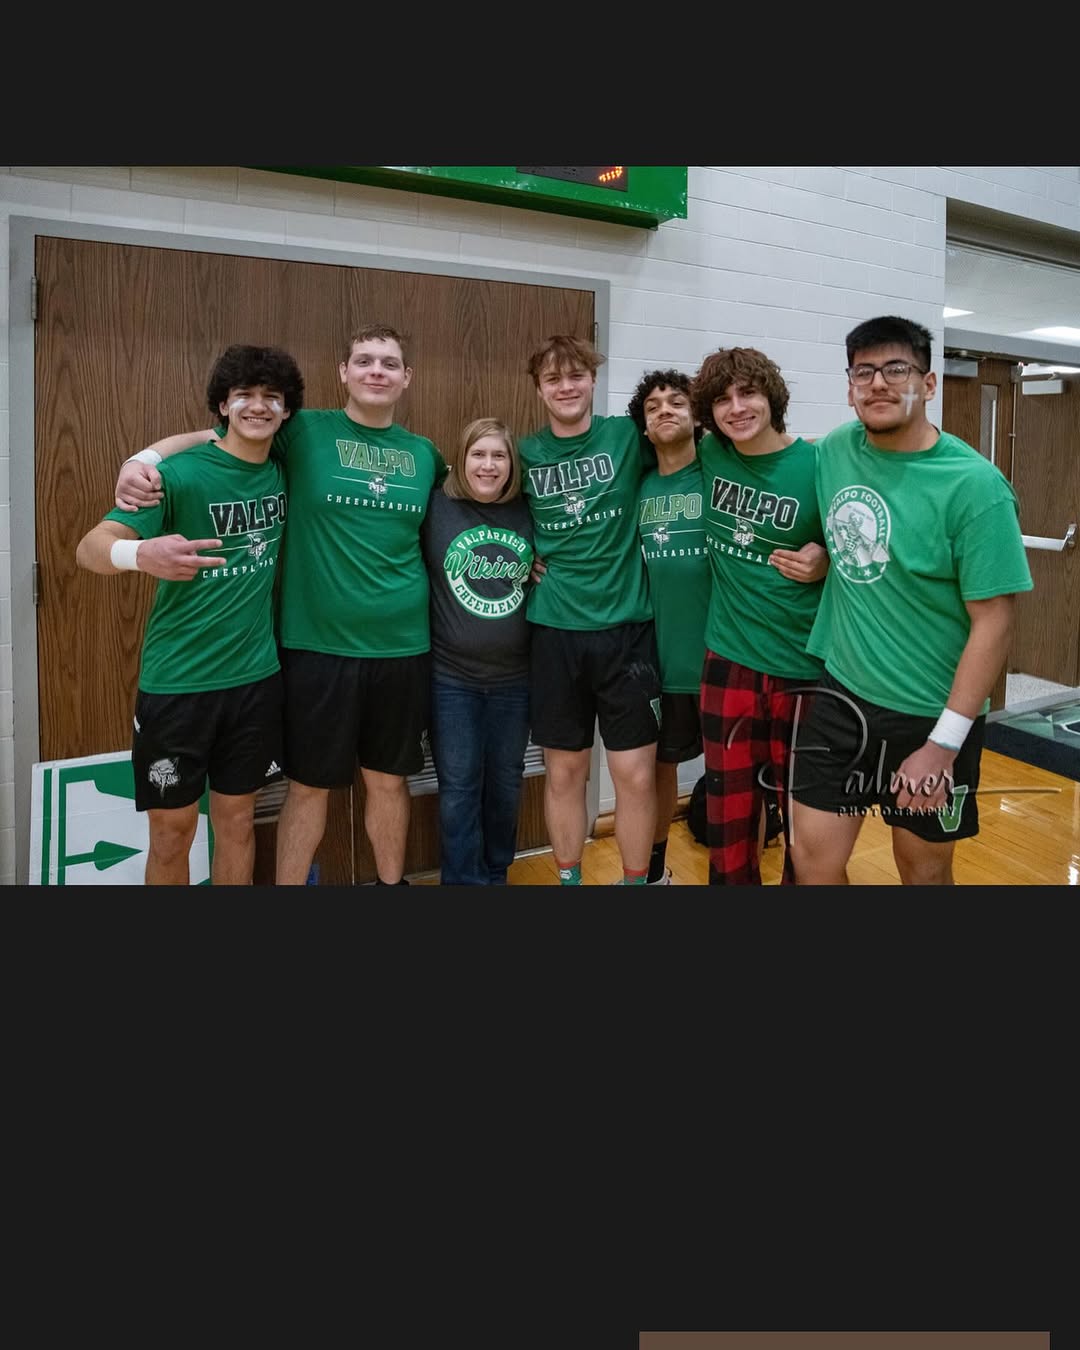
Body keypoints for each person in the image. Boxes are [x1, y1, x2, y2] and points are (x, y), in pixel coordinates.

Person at [113, 324, 448, 886]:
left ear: (406, 377)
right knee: (308, 785)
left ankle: (392, 887)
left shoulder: (425, 454)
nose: (376, 371)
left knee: (389, 782)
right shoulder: (303, 430)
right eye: (364, 360)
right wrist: (140, 458)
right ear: (343, 372)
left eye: (389, 363)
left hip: (404, 647)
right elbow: (218, 433)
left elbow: (474, 505)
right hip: (315, 648)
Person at [788, 315, 1034, 886]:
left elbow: (995, 624)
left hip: (931, 715)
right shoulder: (837, 449)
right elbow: (772, 455)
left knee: (923, 871)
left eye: (896, 369)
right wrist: (825, 551)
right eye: (863, 372)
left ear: (928, 384)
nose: (878, 383)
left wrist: (942, 746)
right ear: (850, 387)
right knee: (812, 861)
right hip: (840, 697)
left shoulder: (976, 487)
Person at [76, 344, 304, 885]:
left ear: (286, 410)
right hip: (178, 685)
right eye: (244, 394)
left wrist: (144, 453)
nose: (258, 406)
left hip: (255, 682)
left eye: (271, 396)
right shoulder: (177, 477)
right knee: (171, 833)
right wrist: (141, 554)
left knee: (239, 823)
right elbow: (89, 548)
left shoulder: (284, 469)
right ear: (223, 404)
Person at [518, 335, 661, 886]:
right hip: (554, 632)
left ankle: (635, 884)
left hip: (628, 632)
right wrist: (520, 556)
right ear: (539, 389)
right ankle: (570, 881)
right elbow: (484, 506)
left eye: (576, 375)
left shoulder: (624, 436)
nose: (566, 387)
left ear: (593, 380)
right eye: (553, 379)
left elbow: (692, 453)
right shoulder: (524, 453)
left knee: (635, 776)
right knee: (565, 773)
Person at [691, 347, 829, 885]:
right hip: (728, 661)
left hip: (803, 668)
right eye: (722, 400)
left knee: (805, 827)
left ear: (771, 397)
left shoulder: (818, 465)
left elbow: (863, 544)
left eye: (747, 393)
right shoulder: (711, 453)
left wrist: (827, 558)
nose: (736, 408)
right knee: (730, 823)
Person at [421, 418, 534, 885]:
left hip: (516, 680)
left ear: (512, 465)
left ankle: (496, 872)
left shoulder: (530, 510)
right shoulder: (435, 506)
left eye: (499, 456)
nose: (488, 465)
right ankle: (463, 881)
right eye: (478, 454)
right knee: (459, 789)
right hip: (451, 680)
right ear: (461, 460)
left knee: (505, 785)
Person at [629, 369, 709, 886]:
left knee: (736, 781)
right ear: (643, 426)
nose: (665, 410)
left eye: (676, 401)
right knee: (658, 773)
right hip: (656, 662)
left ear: (696, 415)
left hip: (722, 658)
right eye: (653, 405)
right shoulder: (638, 485)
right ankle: (656, 875)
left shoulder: (721, 473)